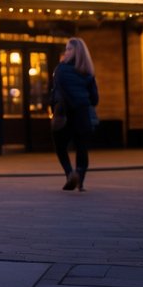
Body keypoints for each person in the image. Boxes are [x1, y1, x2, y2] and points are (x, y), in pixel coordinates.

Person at [50, 37, 99, 191]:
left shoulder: (61, 69)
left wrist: (53, 106)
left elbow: (58, 92)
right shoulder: (88, 72)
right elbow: (95, 99)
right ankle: (80, 179)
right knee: (82, 148)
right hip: (83, 113)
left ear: (75, 51)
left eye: (69, 49)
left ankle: (70, 173)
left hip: (64, 113)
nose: (66, 52)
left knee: (60, 146)